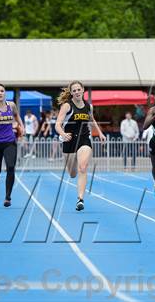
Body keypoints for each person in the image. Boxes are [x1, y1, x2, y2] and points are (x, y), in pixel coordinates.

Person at [55, 80, 106, 211]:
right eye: (74, 90)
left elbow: (92, 119)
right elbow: (58, 124)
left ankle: (80, 199)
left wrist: (100, 133)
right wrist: (63, 134)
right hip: (69, 140)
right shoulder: (67, 106)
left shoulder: (89, 106)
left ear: (83, 90)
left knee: (83, 167)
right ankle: (74, 162)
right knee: (72, 173)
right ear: (71, 93)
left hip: (84, 139)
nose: (77, 92)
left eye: (79, 89)